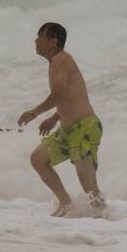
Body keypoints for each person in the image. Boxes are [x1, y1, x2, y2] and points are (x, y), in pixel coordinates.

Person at [17, 21, 104, 217]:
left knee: (90, 190)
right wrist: (55, 117)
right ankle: (66, 203)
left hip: (84, 129)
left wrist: (34, 113)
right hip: (68, 130)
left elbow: (58, 94)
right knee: (38, 159)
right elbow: (69, 95)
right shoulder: (56, 61)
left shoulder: (60, 60)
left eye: (40, 36)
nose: (36, 41)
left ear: (53, 41)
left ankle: (105, 221)